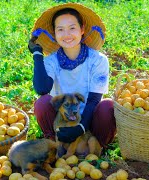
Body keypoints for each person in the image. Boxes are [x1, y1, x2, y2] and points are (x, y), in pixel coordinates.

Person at [28, 3, 116, 150]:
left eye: (72, 28)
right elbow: (42, 89)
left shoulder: (98, 60)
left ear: (82, 30)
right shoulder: (50, 61)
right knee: (42, 103)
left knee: (107, 106)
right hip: (62, 121)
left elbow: (94, 100)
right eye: (60, 30)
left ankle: (98, 146)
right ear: (55, 34)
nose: (67, 34)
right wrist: (37, 53)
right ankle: (56, 144)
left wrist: (80, 128)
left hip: (90, 119)